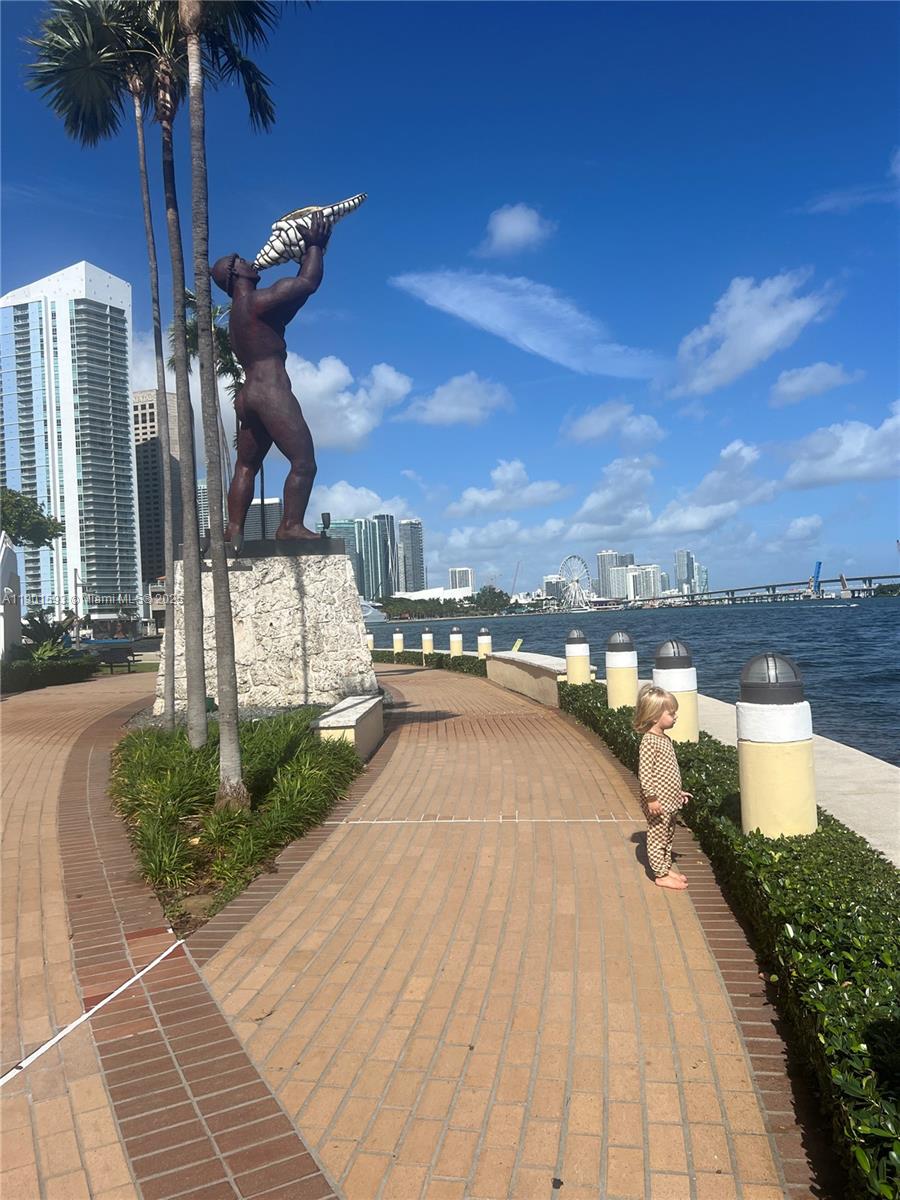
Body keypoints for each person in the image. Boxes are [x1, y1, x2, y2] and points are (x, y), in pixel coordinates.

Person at [210, 210, 332, 545]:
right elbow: (308, 283)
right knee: (304, 462)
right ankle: (289, 525)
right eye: (242, 261)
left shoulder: (241, 315)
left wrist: (309, 255)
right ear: (235, 275)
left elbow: (297, 294)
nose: (251, 262)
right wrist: (315, 245)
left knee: (246, 466)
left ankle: (234, 530)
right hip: (270, 391)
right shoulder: (256, 303)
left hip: (249, 396)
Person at [633, 684, 692, 890]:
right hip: (657, 802)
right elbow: (646, 773)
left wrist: (678, 792)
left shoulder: (664, 738)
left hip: (669, 799)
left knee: (668, 834)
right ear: (655, 715)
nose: (675, 717)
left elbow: (667, 772)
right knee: (658, 836)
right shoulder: (649, 741)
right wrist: (651, 798)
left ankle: (666, 868)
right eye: (671, 713)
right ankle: (660, 874)